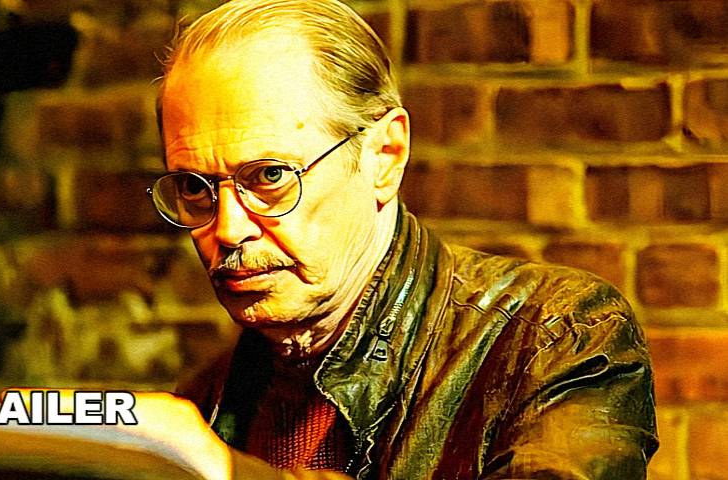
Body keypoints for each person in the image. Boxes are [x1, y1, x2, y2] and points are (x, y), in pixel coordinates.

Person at [147, 0, 659, 478]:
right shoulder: (206, 399)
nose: (228, 228)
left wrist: (228, 472)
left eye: (270, 176)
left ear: (384, 156)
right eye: (194, 187)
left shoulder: (552, 337)